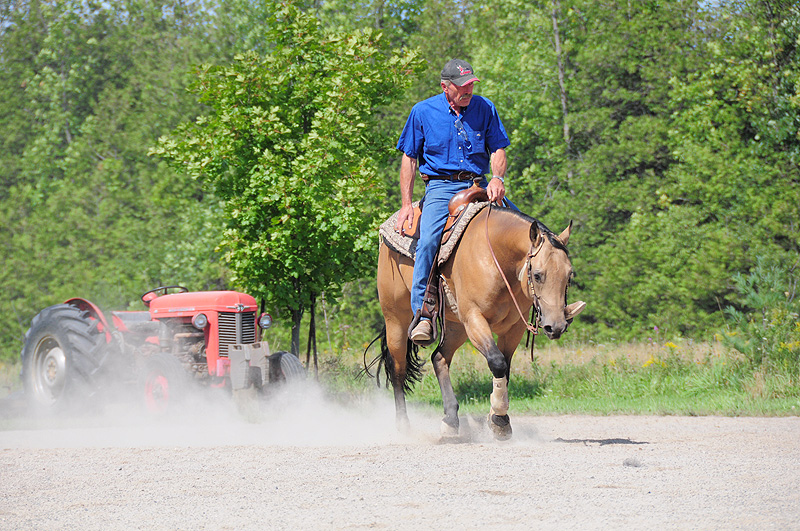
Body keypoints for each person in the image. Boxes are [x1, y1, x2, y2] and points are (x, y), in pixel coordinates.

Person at [395, 58, 510, 344]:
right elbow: (409, 159)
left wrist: (497, 178)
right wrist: (407, 205)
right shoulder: (422, 112)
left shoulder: (485, 108)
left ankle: (540, 305)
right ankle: (423, 314)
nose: (468, 91)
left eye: (471, 85)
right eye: (462, 87)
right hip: (441, 188)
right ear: (445, 87)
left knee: (525, 230)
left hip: (479, 184)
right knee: (429, 241)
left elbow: (497, 147)